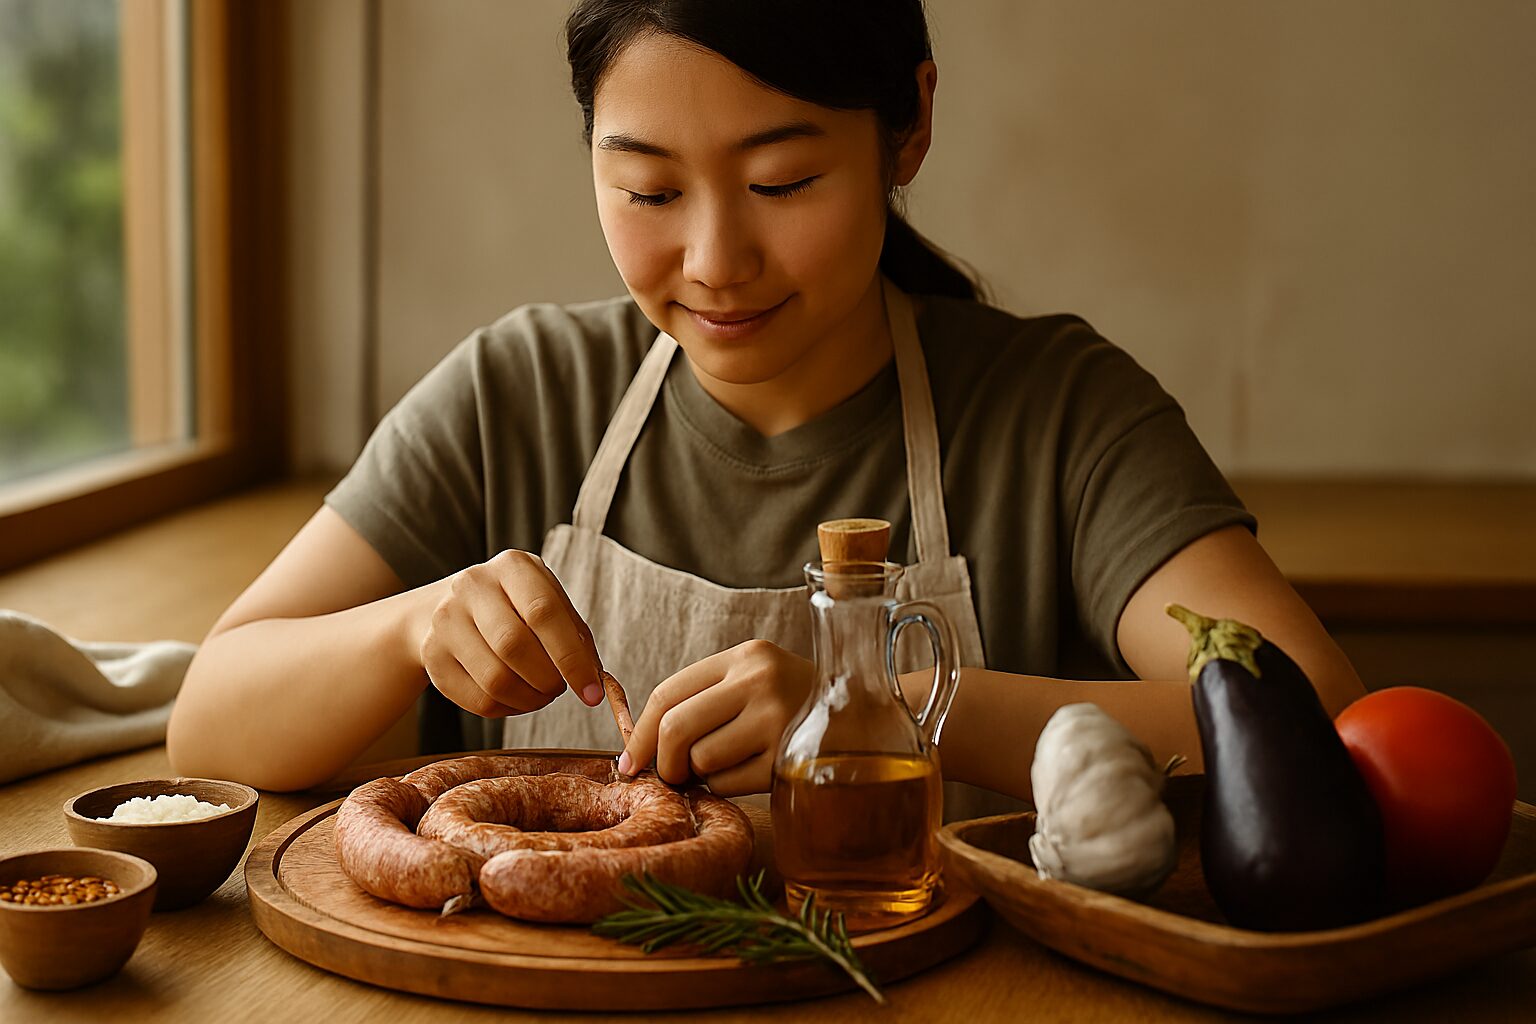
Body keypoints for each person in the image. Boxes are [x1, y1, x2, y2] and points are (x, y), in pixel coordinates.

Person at [167, 0, 1363, 814]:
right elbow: (210, 722)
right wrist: (407, 628)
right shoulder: (515, 394)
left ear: (911, 126)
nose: (716, 258)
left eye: (782, 181)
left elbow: (1310, 716)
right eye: (647, 187)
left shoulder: (1056, 412)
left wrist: (883, 711)